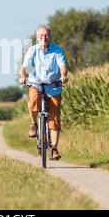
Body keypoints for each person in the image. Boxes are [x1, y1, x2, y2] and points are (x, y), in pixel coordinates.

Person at [18, 25, 68, 160]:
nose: (44, 38)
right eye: (41, 35)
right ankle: (34, 124)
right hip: (37, 85)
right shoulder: (32, 50)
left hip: (53, 86)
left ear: (50, 37)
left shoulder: (57, 50)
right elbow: (24, 67)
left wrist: (63, 75)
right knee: (33, 102)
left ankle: (54, 149)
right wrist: (23, 76)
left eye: (46, 35)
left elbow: (62, 65)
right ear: (37, 38)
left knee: (55, 117)